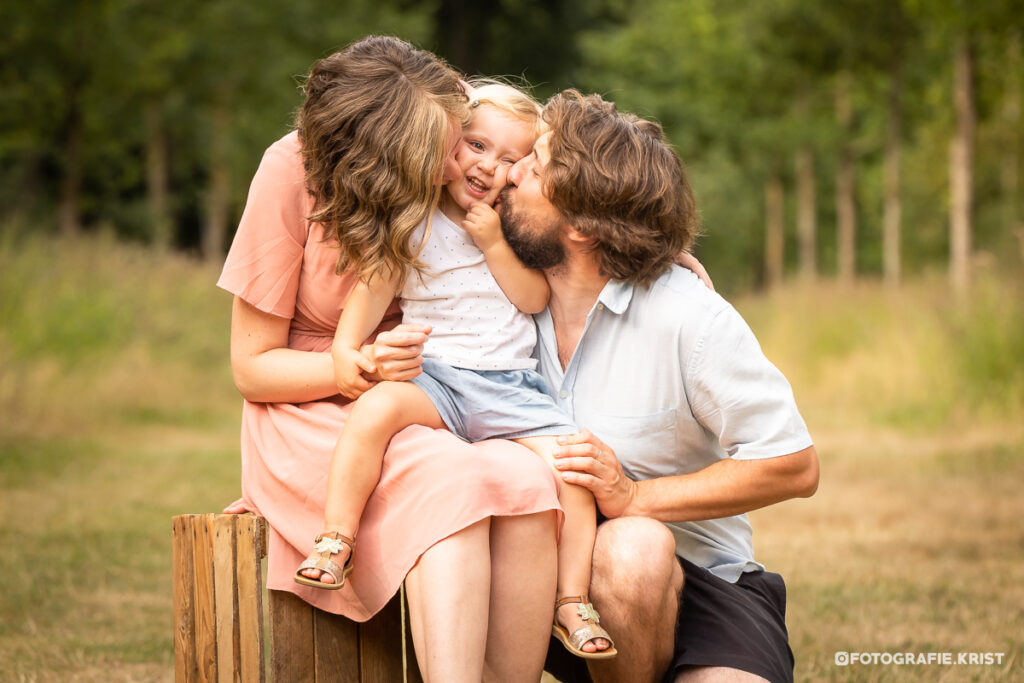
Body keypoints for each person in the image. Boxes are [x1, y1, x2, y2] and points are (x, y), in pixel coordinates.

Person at [217, 37, 563, 682]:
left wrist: (652, 258)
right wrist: (361, 366)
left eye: (459, 135)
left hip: (446, 389)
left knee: (527, 483)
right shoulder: (291, 171)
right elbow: (253, 369)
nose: (461, 161)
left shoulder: (467, 167)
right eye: (444, 148)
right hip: (318, 400)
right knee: (451, 479)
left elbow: (553, 190)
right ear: (385, 152)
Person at [497, 90, 820, 683]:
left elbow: (793, 465)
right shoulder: (488, 289)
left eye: (534, 166)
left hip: (697, 578)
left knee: (636, 546)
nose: (509, 171)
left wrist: (635, 498)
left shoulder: (688, 316)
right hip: (536, 577)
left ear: (584, 231)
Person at [293, 81, 616, 659]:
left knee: (574, 467)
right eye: (476, 145)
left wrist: (494, 245)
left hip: (509, 388)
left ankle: (571, 602)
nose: (489, 166)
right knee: (373, 411)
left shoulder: (515, 225)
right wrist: (346, 347)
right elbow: (372, 291)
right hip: (436, 378)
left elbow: (534, 299)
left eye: (512, 159)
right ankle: (334, 539)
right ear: (448, 147)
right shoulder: (414, 219)